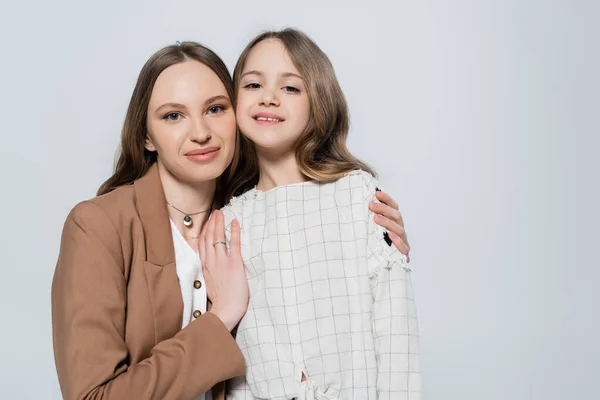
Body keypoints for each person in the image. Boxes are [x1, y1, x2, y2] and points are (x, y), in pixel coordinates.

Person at [52, 41, 409, 400]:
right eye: (173, 116)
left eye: (216, 109)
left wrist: (376, 245)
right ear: (146, 135)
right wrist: (221, 317)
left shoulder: (255, 218)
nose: (200, 132)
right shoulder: (98, 226)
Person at [220, 29, 420, 399]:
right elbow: (235, 357)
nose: (268, 98)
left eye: (290, 88)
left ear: (319, 102)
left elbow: (395, 333)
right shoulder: (230, 221)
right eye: (252, 84)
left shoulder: (358, 196)